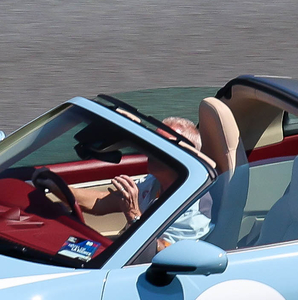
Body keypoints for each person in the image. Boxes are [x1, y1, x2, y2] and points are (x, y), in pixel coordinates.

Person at [84, 99, 241, 243]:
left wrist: (133, 215)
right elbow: (101, 203)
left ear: (186, 157)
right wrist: (60, 189)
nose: (153, 151)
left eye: (164, 147)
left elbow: (159, 253)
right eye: (155, 144)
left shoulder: (193, 210)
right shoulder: (154, 182)